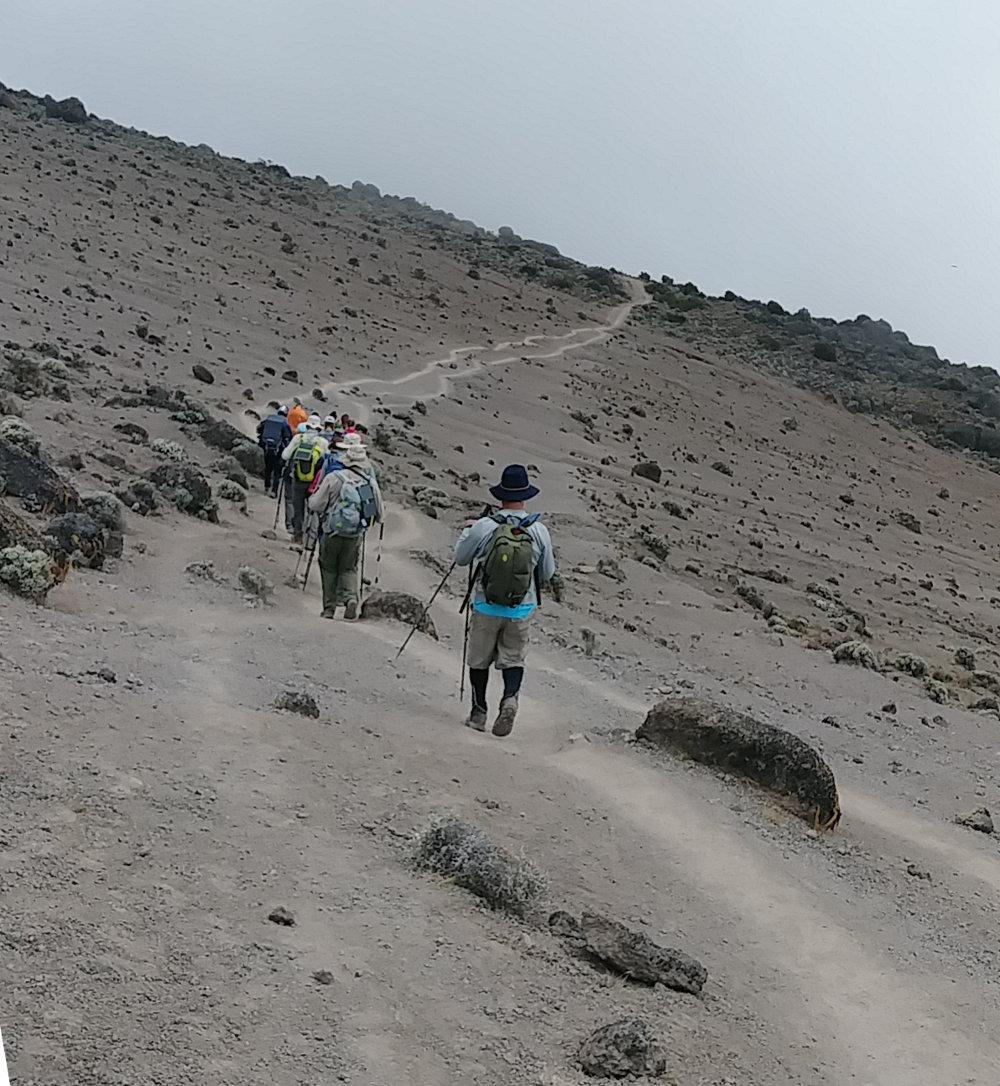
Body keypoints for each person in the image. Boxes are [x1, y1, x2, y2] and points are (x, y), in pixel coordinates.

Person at [454, 465, 555, 737]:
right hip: (521, 607)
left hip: (486, 605)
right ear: (525, 495)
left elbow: (461, 557)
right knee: (513, 659)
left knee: (479, 660)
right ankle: (510, 699)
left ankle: (478, 713)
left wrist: (469, 530)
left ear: (501, 496)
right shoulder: (539, 530)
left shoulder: (486, 526)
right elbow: (547, 573)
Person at [307, 434, 383, 620]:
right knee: (349, 568)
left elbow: (315, 505)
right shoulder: (369, 482)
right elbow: (379, 513)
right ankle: (350, 599)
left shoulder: (334, 478)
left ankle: (329, 609)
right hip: (355, 533)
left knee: (328, 567)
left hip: (331, 531)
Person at [281, 419, 329, 543]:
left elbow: (285, 455)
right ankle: (311, 539)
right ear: (318, 429)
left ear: (307, 426)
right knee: (313, 510)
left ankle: (298, 536)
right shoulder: (323, 442)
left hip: (297, 479)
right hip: (315, 482)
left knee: (298, 509)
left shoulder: (298, 439)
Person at [256, 404, 292, 497]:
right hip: (278, 450)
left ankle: (266, 486)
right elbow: (288, 436)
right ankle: (274, 491)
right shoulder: (284, 422)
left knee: (268, 468)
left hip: (267, 448)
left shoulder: (269, 419)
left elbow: (259, 429)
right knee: (277, 471)